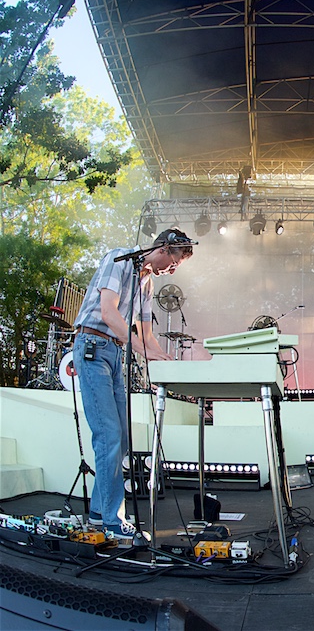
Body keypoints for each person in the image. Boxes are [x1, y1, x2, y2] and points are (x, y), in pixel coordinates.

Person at [72, 229, 193, 540]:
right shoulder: (119, 259)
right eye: (174, 261)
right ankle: (112, 520)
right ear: (164, 247)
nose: (173, 269)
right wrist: (142, 350)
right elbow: (109, 313)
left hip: (113, 351)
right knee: (108, 434)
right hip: (93, 347)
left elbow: (147, 335)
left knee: (121, 436)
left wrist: (164, 363)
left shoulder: (147, 282)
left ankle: (100, 511)